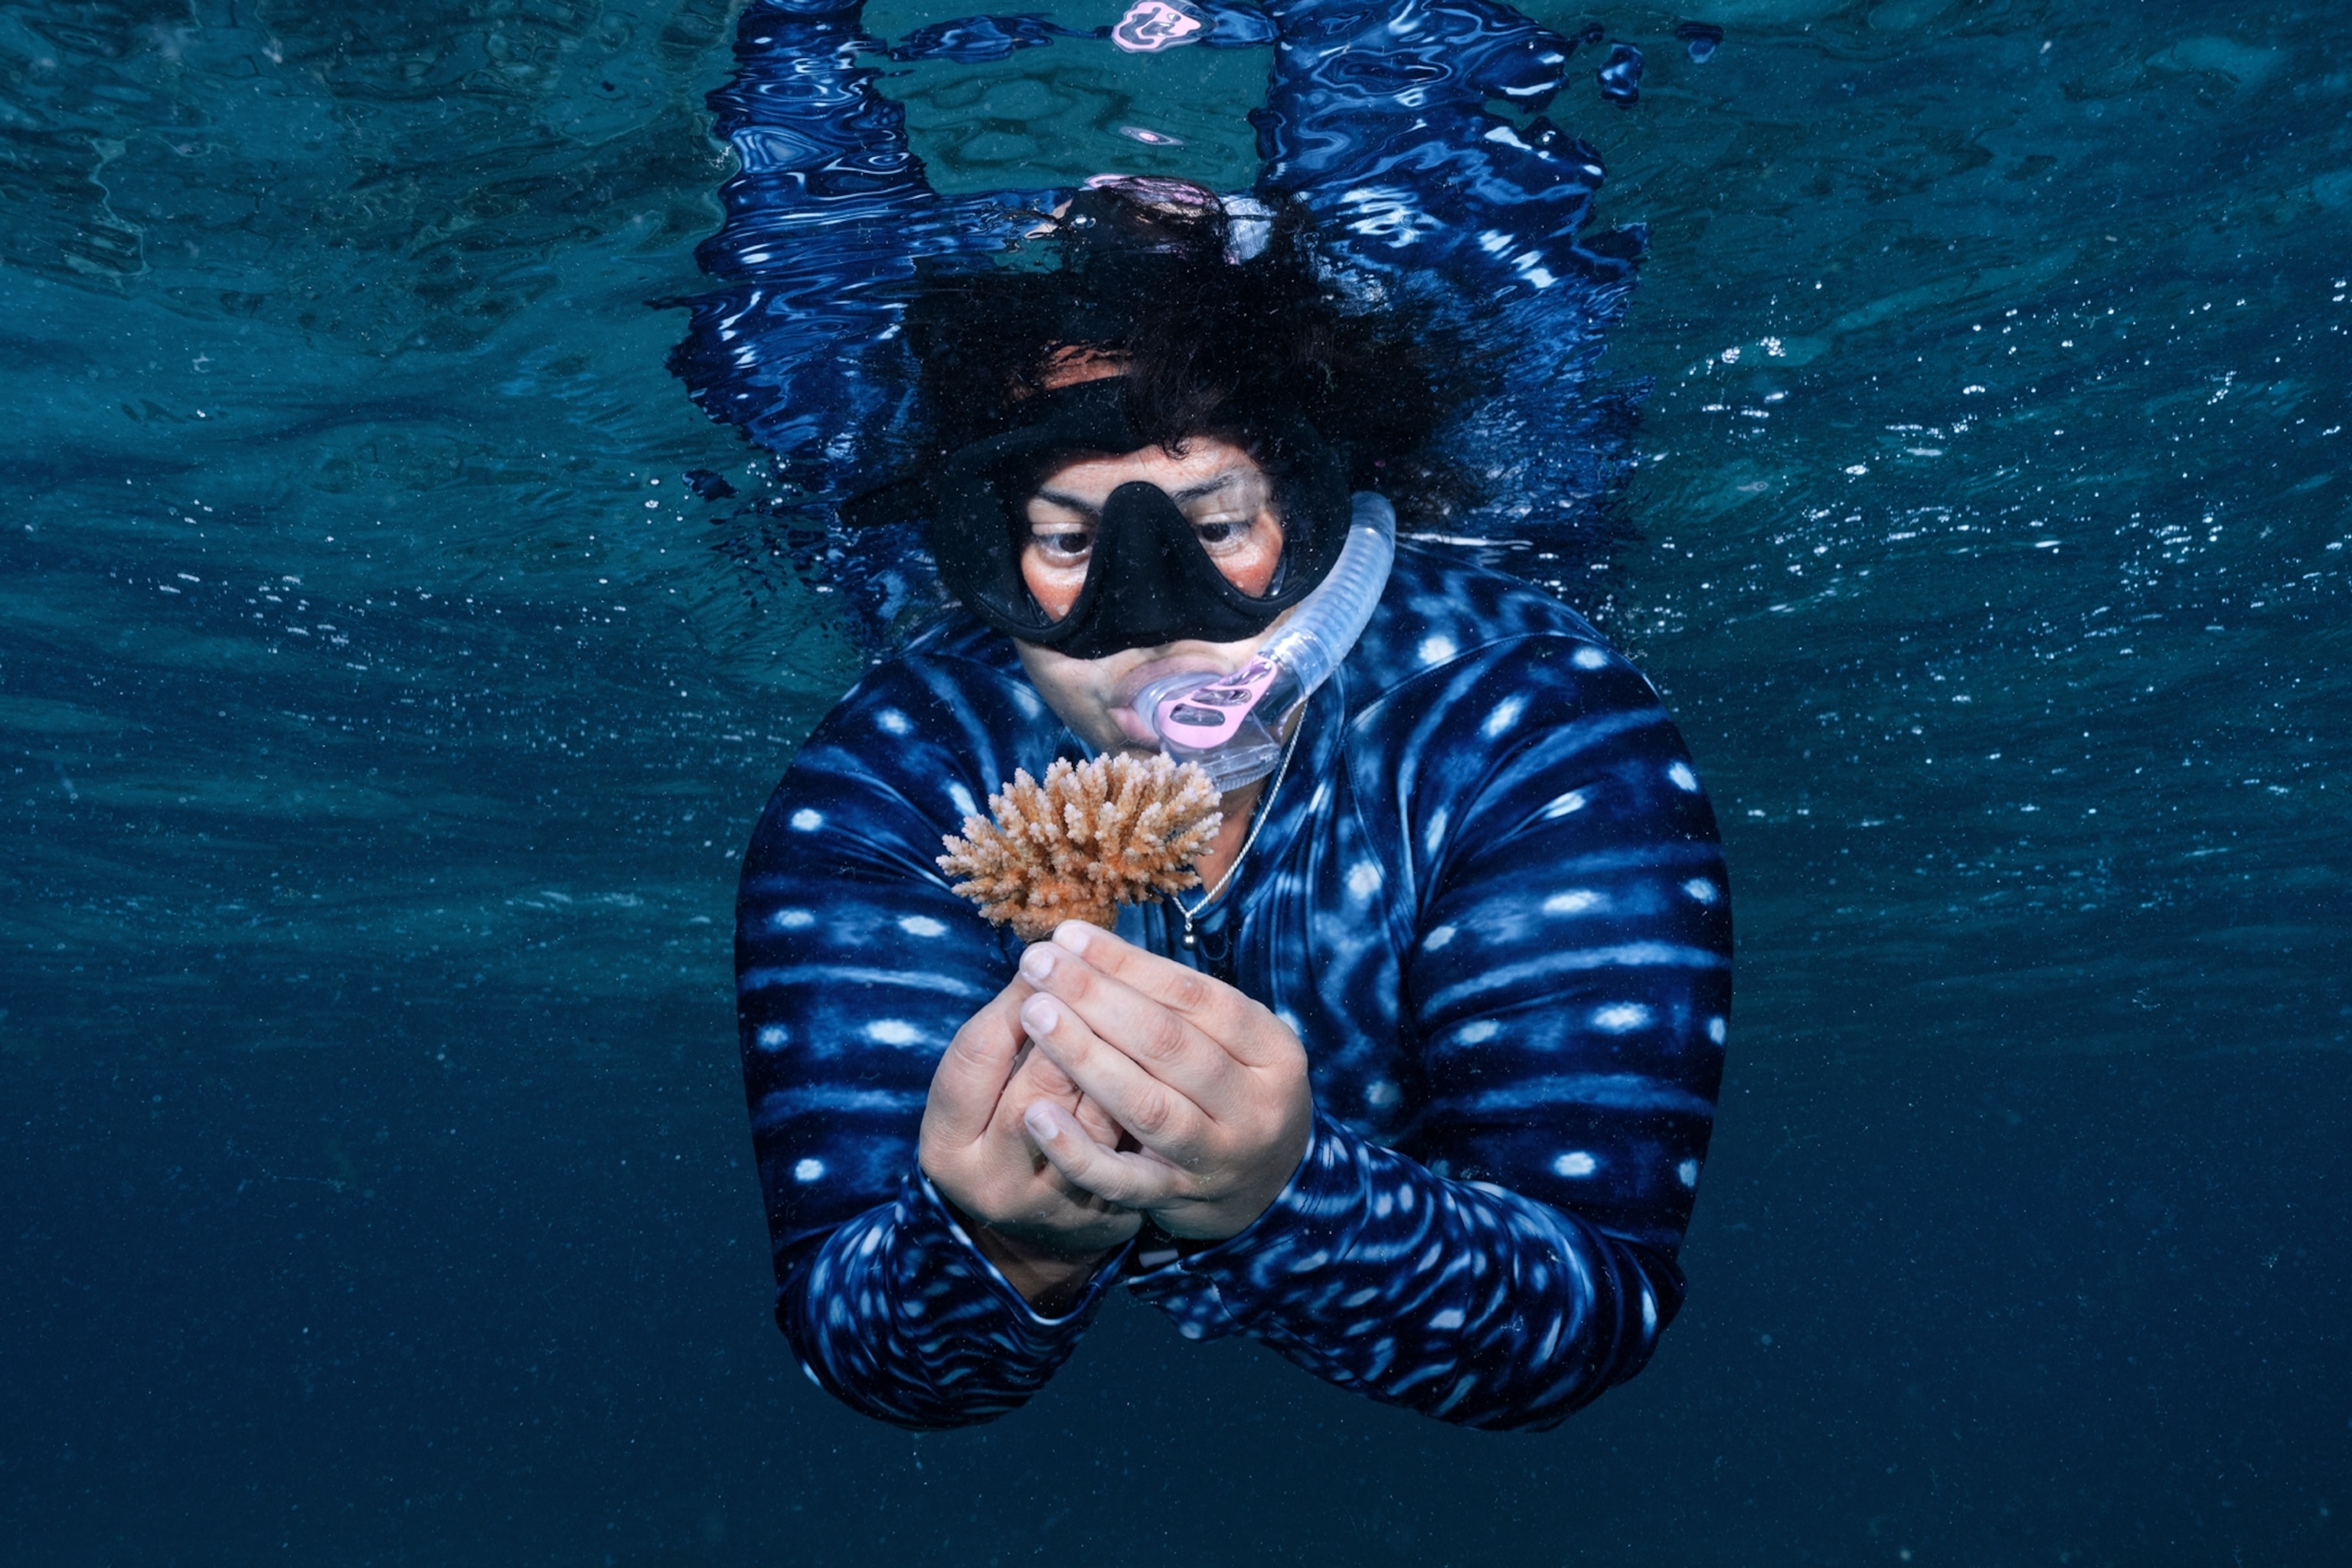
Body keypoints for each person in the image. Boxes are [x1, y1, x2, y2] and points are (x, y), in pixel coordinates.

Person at [704, 0, 1728, 1433]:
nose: (1151, 613)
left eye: (1217, 523)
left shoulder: (1528, 719)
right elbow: (857, 1342)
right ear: (979, 555)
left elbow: (1587, 1312)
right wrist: (999, 1247)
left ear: (1322, 514)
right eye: (1065, 541)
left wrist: (1284, 1198)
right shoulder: (896, 780)